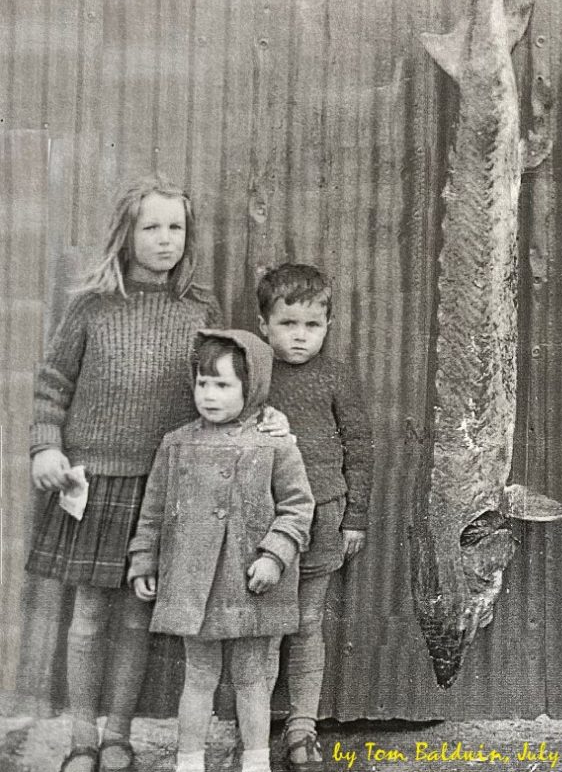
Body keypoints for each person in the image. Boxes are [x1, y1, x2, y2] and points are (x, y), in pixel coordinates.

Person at [24, 175, 288, 772]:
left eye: (176, 227)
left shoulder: (200, 308)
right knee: (89, 617)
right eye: (152, 227)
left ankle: (119, 734)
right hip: (93, 482)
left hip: (168, 486)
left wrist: (263, 413)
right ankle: (82, 737)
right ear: (126, 234)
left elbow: (228, 381)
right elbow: (52, 383)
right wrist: (45, 447)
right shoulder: (91, 306)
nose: (165, 239)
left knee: (136, 616)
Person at [128, 331, 314, 772]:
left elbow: (297, 507)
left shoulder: (274, 443)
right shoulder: (176, 443)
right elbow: (153, 510)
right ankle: (189, 761)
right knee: (198, 676)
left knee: (252, 678)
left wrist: (274, 556)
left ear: (252, 388)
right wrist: (143, 560)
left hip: (250, 583)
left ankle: (256, 761)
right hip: (194, 587)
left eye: (223, 385)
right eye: (203, 383)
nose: (209, 395)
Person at [255, 264, 373, 771]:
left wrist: (355, 516)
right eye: (288, 324)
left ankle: (302, 728)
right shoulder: (255, 372)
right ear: (264, 325)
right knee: (262, 627)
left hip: (324, 514)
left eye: (312, 325)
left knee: (306, 623)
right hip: (264, 518)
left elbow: (359, 447)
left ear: (328, 326)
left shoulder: (336, 375)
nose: (300, 336)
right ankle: (253, 732)